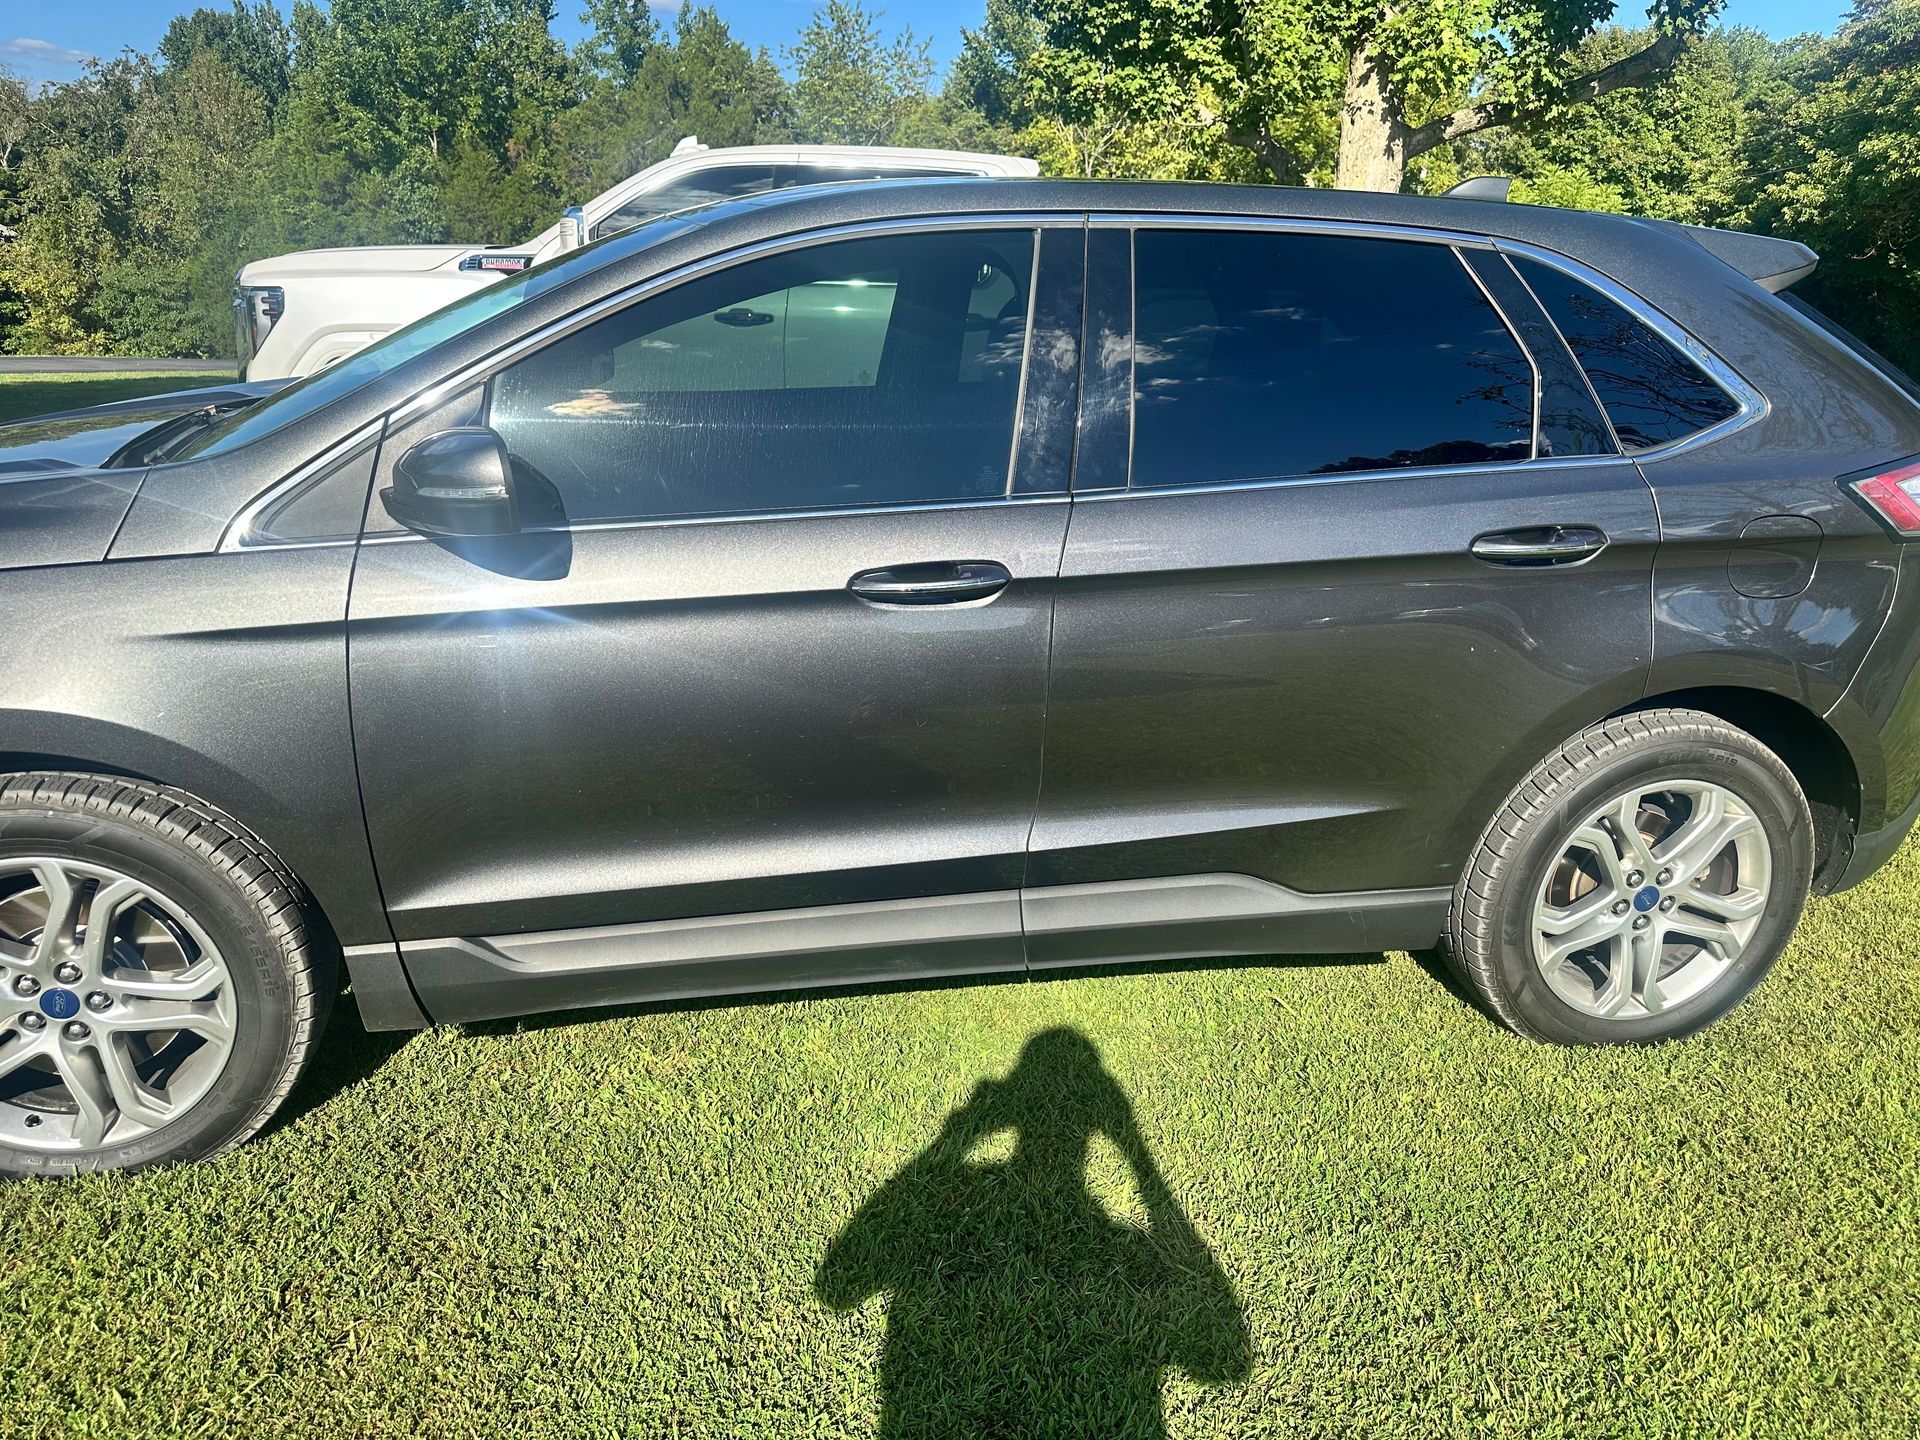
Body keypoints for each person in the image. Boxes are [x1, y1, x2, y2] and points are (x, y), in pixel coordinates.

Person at [817, 1027, 1251, 1437]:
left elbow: (838, 1285)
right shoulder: (1124, 1246)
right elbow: (1225, 1363)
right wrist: (1137, 1157)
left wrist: (955, 1137)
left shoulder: (969, 1191)